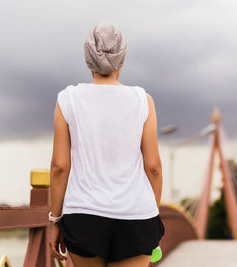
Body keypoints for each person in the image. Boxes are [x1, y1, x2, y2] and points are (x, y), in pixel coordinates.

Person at [49, 23, 165, 267]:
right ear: (122, 58)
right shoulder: (142, 100)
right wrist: (152, 216)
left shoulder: (67, 98)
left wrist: (55, 220)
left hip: (84, 216)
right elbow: (153, 166)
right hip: (136, 216)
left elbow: (60, 166)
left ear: (87, 58)